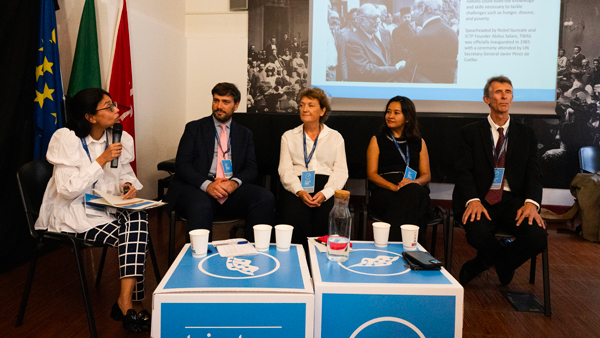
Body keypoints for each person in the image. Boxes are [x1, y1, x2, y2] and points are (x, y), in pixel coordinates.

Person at [35, 88, 151, 332]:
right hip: (71, 213)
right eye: (108, 107)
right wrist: (100, 161)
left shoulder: (117, 136)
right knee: (137, 234)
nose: (116, 110)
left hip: (104, 208)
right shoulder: (67, 139)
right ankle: (132, 302)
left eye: (114, 104)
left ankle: (125, 301)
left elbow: (124, 175)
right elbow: (67, 190)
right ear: (90, 116)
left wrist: (127, 186)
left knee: (138, 216)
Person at [453, 76, 547, 286]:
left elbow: (534, 173)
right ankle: (502, 261)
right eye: (498, 92)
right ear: (486, 98)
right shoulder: (469, 132)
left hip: (512, 200)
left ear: (512, 98)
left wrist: (531, 203)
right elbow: (463, 172)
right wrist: (472, 200)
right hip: (480, 198)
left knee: (537, 236)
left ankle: (483, 263)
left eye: (508, 91)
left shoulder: (526, 134)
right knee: (477, 234)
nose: (504, 96)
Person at [166, 83, 275, 241]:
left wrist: (234, 183)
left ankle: (256, 252)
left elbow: (251, 168)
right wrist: (207, 185)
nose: (219, 106)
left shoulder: (245, 134)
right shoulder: (194, 128)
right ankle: (199, 259)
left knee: (265, 197)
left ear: (236, 105)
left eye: (225, 102)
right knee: (201, 205)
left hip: (230, 188)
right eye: (216, 100)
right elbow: (182, 165)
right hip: (197, 188)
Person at [277, 87, 348, 250]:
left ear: (322, 110)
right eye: (302, 105)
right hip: (297, 186)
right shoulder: (288, 136)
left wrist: (326, 193)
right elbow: (285, 171)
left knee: (326, 220)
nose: (304, 109)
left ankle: (321, 266)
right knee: (293, 217)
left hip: (327, 186)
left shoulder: (335, 137)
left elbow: (341, 171)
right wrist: (299, 191)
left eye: (310, 105)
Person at [366, 96, 431, 242]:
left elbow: (426, 175)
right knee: (413, 199)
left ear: (407, 117)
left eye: (396, 113)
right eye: (388, 112)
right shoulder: (377, 140)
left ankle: (393, 244)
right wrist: (394, 187)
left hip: (413, 189)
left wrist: (413, 183)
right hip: (386, 191)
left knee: (413, 192)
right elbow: (371, 174)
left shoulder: (419, 142)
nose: (390, 116)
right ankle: (414, 247)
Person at [346, 3, 406, 82]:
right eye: (374, 18)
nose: (378, 21)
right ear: (362, 20)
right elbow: (365, 70)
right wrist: (395, 69)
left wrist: (397, 66)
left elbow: (384, 63)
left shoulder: (372, 35)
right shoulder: (353, 41)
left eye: (378, 17)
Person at [409, 0, 458, 83]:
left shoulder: (420, 37)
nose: (412, 13)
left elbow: (410, 71)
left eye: (414, 8)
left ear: (421, 9)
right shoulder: (452, 33)